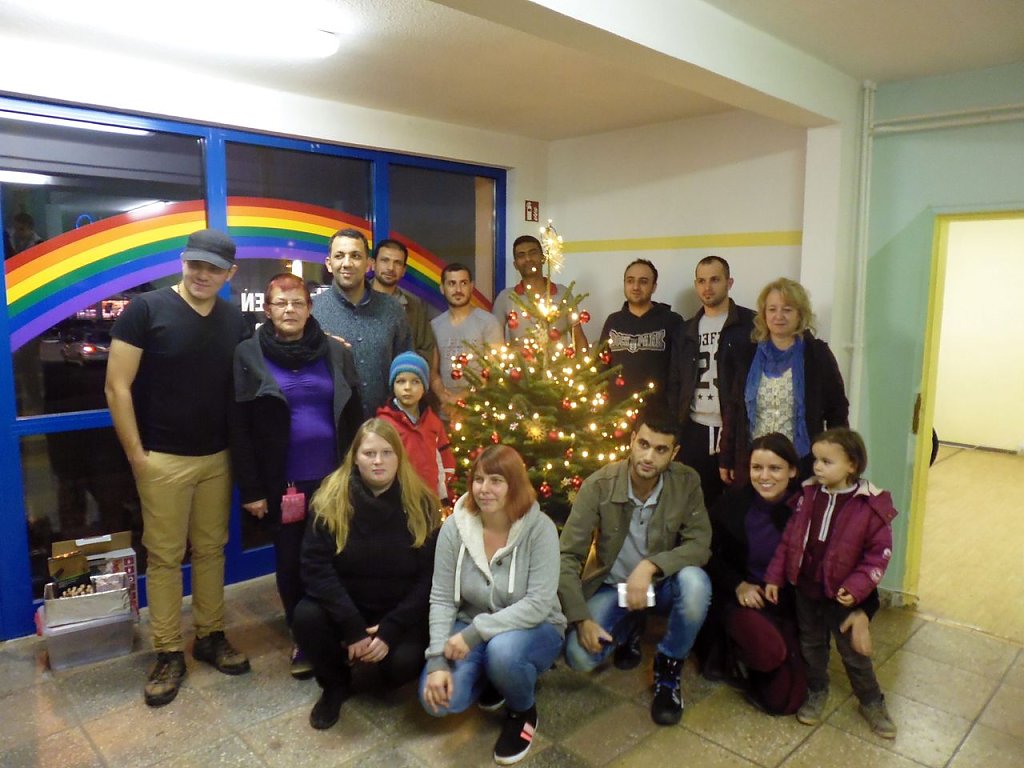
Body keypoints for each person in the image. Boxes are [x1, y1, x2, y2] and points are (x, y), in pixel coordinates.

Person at [105, 229, 251, 707]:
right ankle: (168, 651)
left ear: (230, 273)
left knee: (211, 550)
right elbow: (117, 387)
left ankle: (210, 635)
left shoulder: (234, 320)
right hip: (162, 459)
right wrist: (137, 456)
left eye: (213, 268)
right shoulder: (145, 311)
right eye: (195, 264)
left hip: (217, 458)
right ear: (183, 262)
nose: (202, 274)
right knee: (165, 558)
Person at [230, 272, 363, 678]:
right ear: (267, 310)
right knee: (292, 563)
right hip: (283, 483)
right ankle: (303, 636)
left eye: (298, 302)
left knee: (338, 555)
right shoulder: (249, 354)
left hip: (333, 479)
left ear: (310, 308)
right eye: (281, 303)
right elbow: (240, 426)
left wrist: (358, 473)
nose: (290, 310)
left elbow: (354, 413)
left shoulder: (335, 351)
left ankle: (341, 628)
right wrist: (252, 489)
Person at [559, 411, 712, 725]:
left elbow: (700, 544)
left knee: (697, 584)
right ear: (631, 440)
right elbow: (567, 557)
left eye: (660, 449)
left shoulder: (686, 481)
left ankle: (668, 670)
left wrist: (651, 566)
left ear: (674, 453)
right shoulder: (598, 485)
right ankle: (630, 623)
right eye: (643, 444)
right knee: (578, 656)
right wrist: (581, 618)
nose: (648, 457)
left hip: (661, 585)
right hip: (614, 587)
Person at [420, 445, 565, 766]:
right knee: (439, 702)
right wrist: (437, 661)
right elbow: (441, 597)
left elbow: (538, 604)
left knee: (504, 653)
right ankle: (495, 677)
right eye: (479, 479)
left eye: (496, 481)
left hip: (533, 626)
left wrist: (473, 634)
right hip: (471, 621)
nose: (484, 489)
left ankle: (522, 710)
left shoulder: (540, 529)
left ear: (514, 485)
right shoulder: (454, 528)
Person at [293, 419, 441, 730]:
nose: (378, 461)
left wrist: (390, 629)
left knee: (401, 668)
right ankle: (335, 685)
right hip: (346, 606)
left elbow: (429, 578)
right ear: (355, 458)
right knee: (306, 616)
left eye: (387, 453)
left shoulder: (422, 504)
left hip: (398, 610)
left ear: (399, 457)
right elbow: (315, 567)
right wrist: (352, 627)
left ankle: (375, 665)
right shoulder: (329, 500)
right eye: (369, 453)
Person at [765, 428, 898, 738]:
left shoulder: (870, 505)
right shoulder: (808, 495)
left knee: (853, 653)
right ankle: (816, 689)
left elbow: (877, 556)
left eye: (827, 461)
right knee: (811, 645)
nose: (817, 467)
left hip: (841, 596)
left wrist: (856, 588)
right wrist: (774, 576)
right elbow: (788, 541)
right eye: (816, 460)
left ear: (852, 465)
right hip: (806, 590)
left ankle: (871, 701)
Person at [719, 277, 848, 488]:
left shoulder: (817, 354)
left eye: (787, 309)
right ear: (764, 314)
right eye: (772, 309)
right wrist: (726, 457)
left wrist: (835, 459)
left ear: (800, 314)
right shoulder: (747, 353)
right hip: (754, 463)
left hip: (802, 463)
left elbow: (837, 410)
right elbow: (733, 409)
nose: (778, 316)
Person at [668, 255, 755, 508]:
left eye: (715, 280)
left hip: (736, 430)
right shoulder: (685, 330)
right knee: (695, 505)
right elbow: (675, 382)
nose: (707, 287)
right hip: (695, 428)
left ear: (729, 282)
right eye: (702, 281)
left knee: (736, 506)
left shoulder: (750, 324)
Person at [312, 227, 412, 418]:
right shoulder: (312, 312)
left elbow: (407, 368)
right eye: (339, 256)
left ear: (368, 264)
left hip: (385, 425)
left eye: (356, 256)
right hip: (331, 425)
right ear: (329, 264)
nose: (347, 263)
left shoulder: (393, 310)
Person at [599, 258, 684, 408]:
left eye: (643, 281)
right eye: (630, 281)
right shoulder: (613, 321)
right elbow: (601, 367)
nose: (636, 287)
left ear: (654, 286)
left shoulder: (672, 321)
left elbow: (680, 372)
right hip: (616, 413)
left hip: (658, 415)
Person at [377, 351, 455, 503]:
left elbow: (444, 461)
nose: (407, 387)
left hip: (429, 499)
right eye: (401, 381)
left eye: (415, 382)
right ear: (393, 385)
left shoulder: (433, 423)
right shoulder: (384, 424)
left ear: (424, 387)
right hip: (398, 501)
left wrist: (443, 496)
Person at [431, 262, 503, 418]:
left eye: (463, 283)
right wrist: (444, 397)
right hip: (446, 413)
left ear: (471, 286)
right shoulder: (434, 326)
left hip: (481, 414)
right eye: (452, 283)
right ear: (442, 288)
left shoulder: (488, 322)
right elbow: (432, 371)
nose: (458, 289)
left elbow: (494, 371)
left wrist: (461, 398)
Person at [491, 235, 587, 350]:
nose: (528, 259)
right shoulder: (506, 298)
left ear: (543, 258)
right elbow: (494, 342)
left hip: (560, 361)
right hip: (520, 362)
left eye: (533, 253)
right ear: (515, 265)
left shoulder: (562, 294)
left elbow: (578, 336)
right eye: (521, 255)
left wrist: (582, 360)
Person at [370, 238, 440, 372]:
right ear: (373, 264)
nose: (390, 268)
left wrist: (406, 369)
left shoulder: (414, 308)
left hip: (403, 382)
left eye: (397, 263)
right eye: (385, 260)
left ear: (403, 270)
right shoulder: (357, 300)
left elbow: (427, 349)